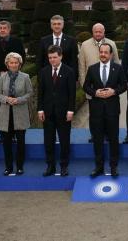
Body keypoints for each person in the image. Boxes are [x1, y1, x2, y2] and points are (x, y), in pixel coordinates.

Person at [84, 42, 128, 178]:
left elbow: (124, 85)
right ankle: (99, 167)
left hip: (112, 110)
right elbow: (86, 86)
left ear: (111, 54)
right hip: (96, 110)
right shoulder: (92, 69)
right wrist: (95, 93)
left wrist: (114, 91)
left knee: (113, 139)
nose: (103, 54)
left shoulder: (118, 68)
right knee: (97, 139)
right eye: (101, 52)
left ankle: (114, 167)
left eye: (105, 52)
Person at [37, 45, 76, 177]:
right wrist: (40, 109)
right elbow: (40, 93)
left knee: (64, 141)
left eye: (54, 57)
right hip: (47, 113)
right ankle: (50, 166)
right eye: (50, 58)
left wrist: (71, 110)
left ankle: (64, 166)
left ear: (61, 56)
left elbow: (72, 94)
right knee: (48, 141)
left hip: (64, 112)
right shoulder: (43, 72)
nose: (52, 60)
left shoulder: (69, 71)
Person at [0, 52, 33, 176]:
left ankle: (20, 167)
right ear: (7, 64)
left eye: (16, 62)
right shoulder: (2, 77)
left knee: (20, 142)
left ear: (20, 64)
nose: (13, 65)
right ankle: (8, 167)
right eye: (11, 62)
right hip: (5, 114)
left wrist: (19, 100)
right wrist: (6, 99)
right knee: (6, 143)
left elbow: (29, 93)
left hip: (20, 113)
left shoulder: (25, 77)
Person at [77, 23, 118, 92]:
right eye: (96, 32)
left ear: (104, 32)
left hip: (109, 86)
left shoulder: (112, 44)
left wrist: (116, 86)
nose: (98, 34)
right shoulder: (84, 45)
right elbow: (81, 67)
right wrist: (84, 85)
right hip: (91, 86)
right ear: (92, 32)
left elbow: (117, 63)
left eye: (100, 32)